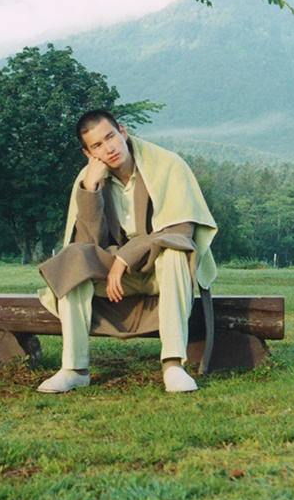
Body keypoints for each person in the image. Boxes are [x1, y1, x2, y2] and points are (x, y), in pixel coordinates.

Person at [36, 109, 217, 393]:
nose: (108, 148)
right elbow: (86, 246)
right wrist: (91, 189)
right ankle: (74, 368)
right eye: (97, 145)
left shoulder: (168, 165)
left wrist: (125, 257)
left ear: (122, 131)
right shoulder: (86, 179)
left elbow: (182, 233)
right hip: (114, 278)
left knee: (175, 253)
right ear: (88, 153)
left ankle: (173, 366)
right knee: (72, 259)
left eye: (110, 136)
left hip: (159, 272)